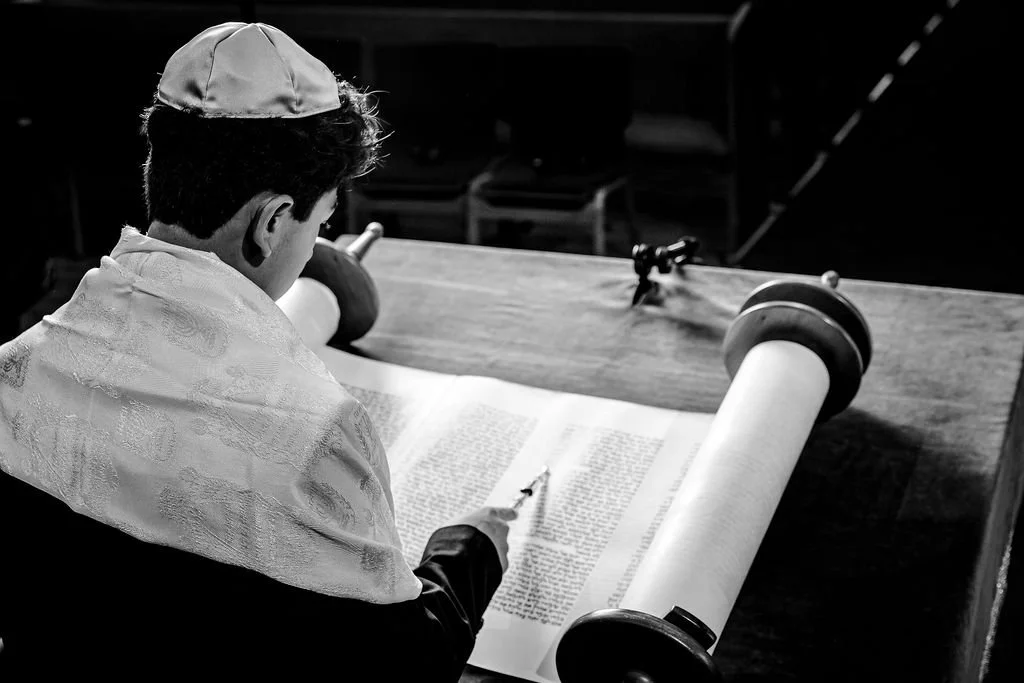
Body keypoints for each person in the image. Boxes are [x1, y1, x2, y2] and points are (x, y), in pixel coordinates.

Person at [0, 22, 515, 680]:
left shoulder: (13, 369)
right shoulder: (318, 435)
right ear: (273, 223)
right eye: (319, 224)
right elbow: (404, 664)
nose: (312, 248)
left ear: (158, 167)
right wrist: (466, 554)